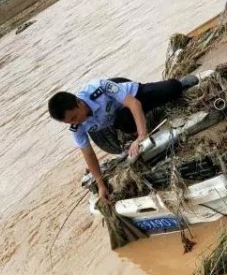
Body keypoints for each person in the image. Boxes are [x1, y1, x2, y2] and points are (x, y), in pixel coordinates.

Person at [48, 76, 198, 202]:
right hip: (117, 119)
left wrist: (142, 136)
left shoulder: (98, 89)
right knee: (124, 120)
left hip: (132, 96)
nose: (75, 123)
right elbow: (88, 153)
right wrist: (100, 184)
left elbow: (133, 103)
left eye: (74, 117)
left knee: (172, 88)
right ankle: (134, 131)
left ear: (78, 102)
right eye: (70, 122)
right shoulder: (76, 126)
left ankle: (181, 83)